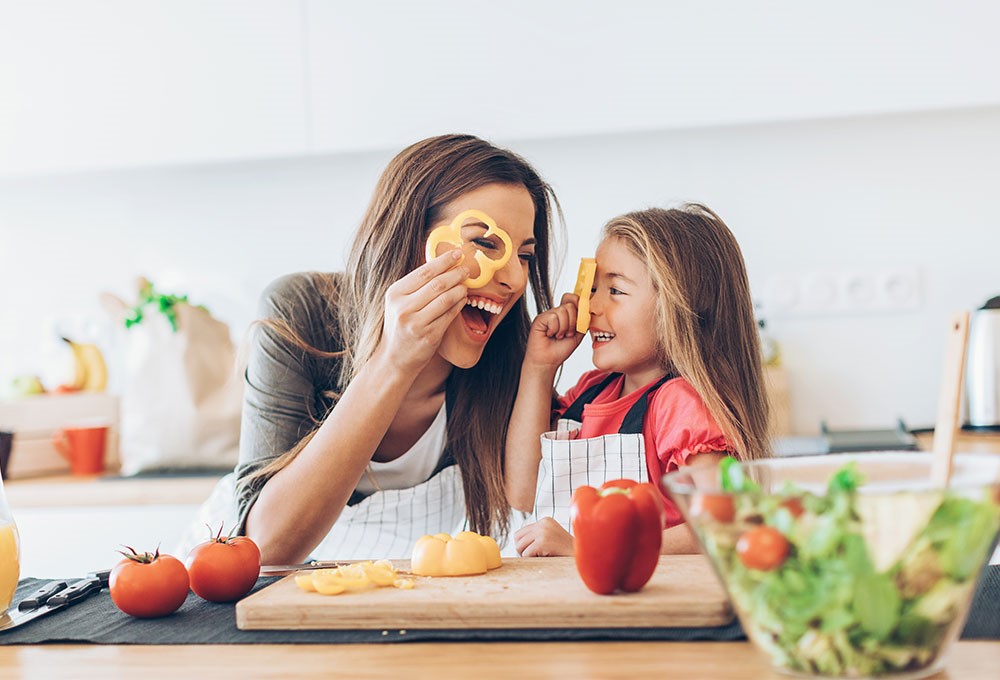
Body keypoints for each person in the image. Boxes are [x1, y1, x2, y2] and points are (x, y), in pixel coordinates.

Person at [235, 134, 560, 565]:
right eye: (484, 244)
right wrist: (394, 361)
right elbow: (267, 550)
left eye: (524, 255)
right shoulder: (300, 311)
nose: (515, 280)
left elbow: (526, 503)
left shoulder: (510, 356)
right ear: (409, 238)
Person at [504, 204, 771, 557]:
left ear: (677, 307)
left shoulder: (679, 404)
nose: (591, 307)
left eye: (614, 291)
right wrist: (538, 367)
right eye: (593, 289)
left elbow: (725, 524)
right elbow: (524, 492)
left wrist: (590, 548)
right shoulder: (591, 392)